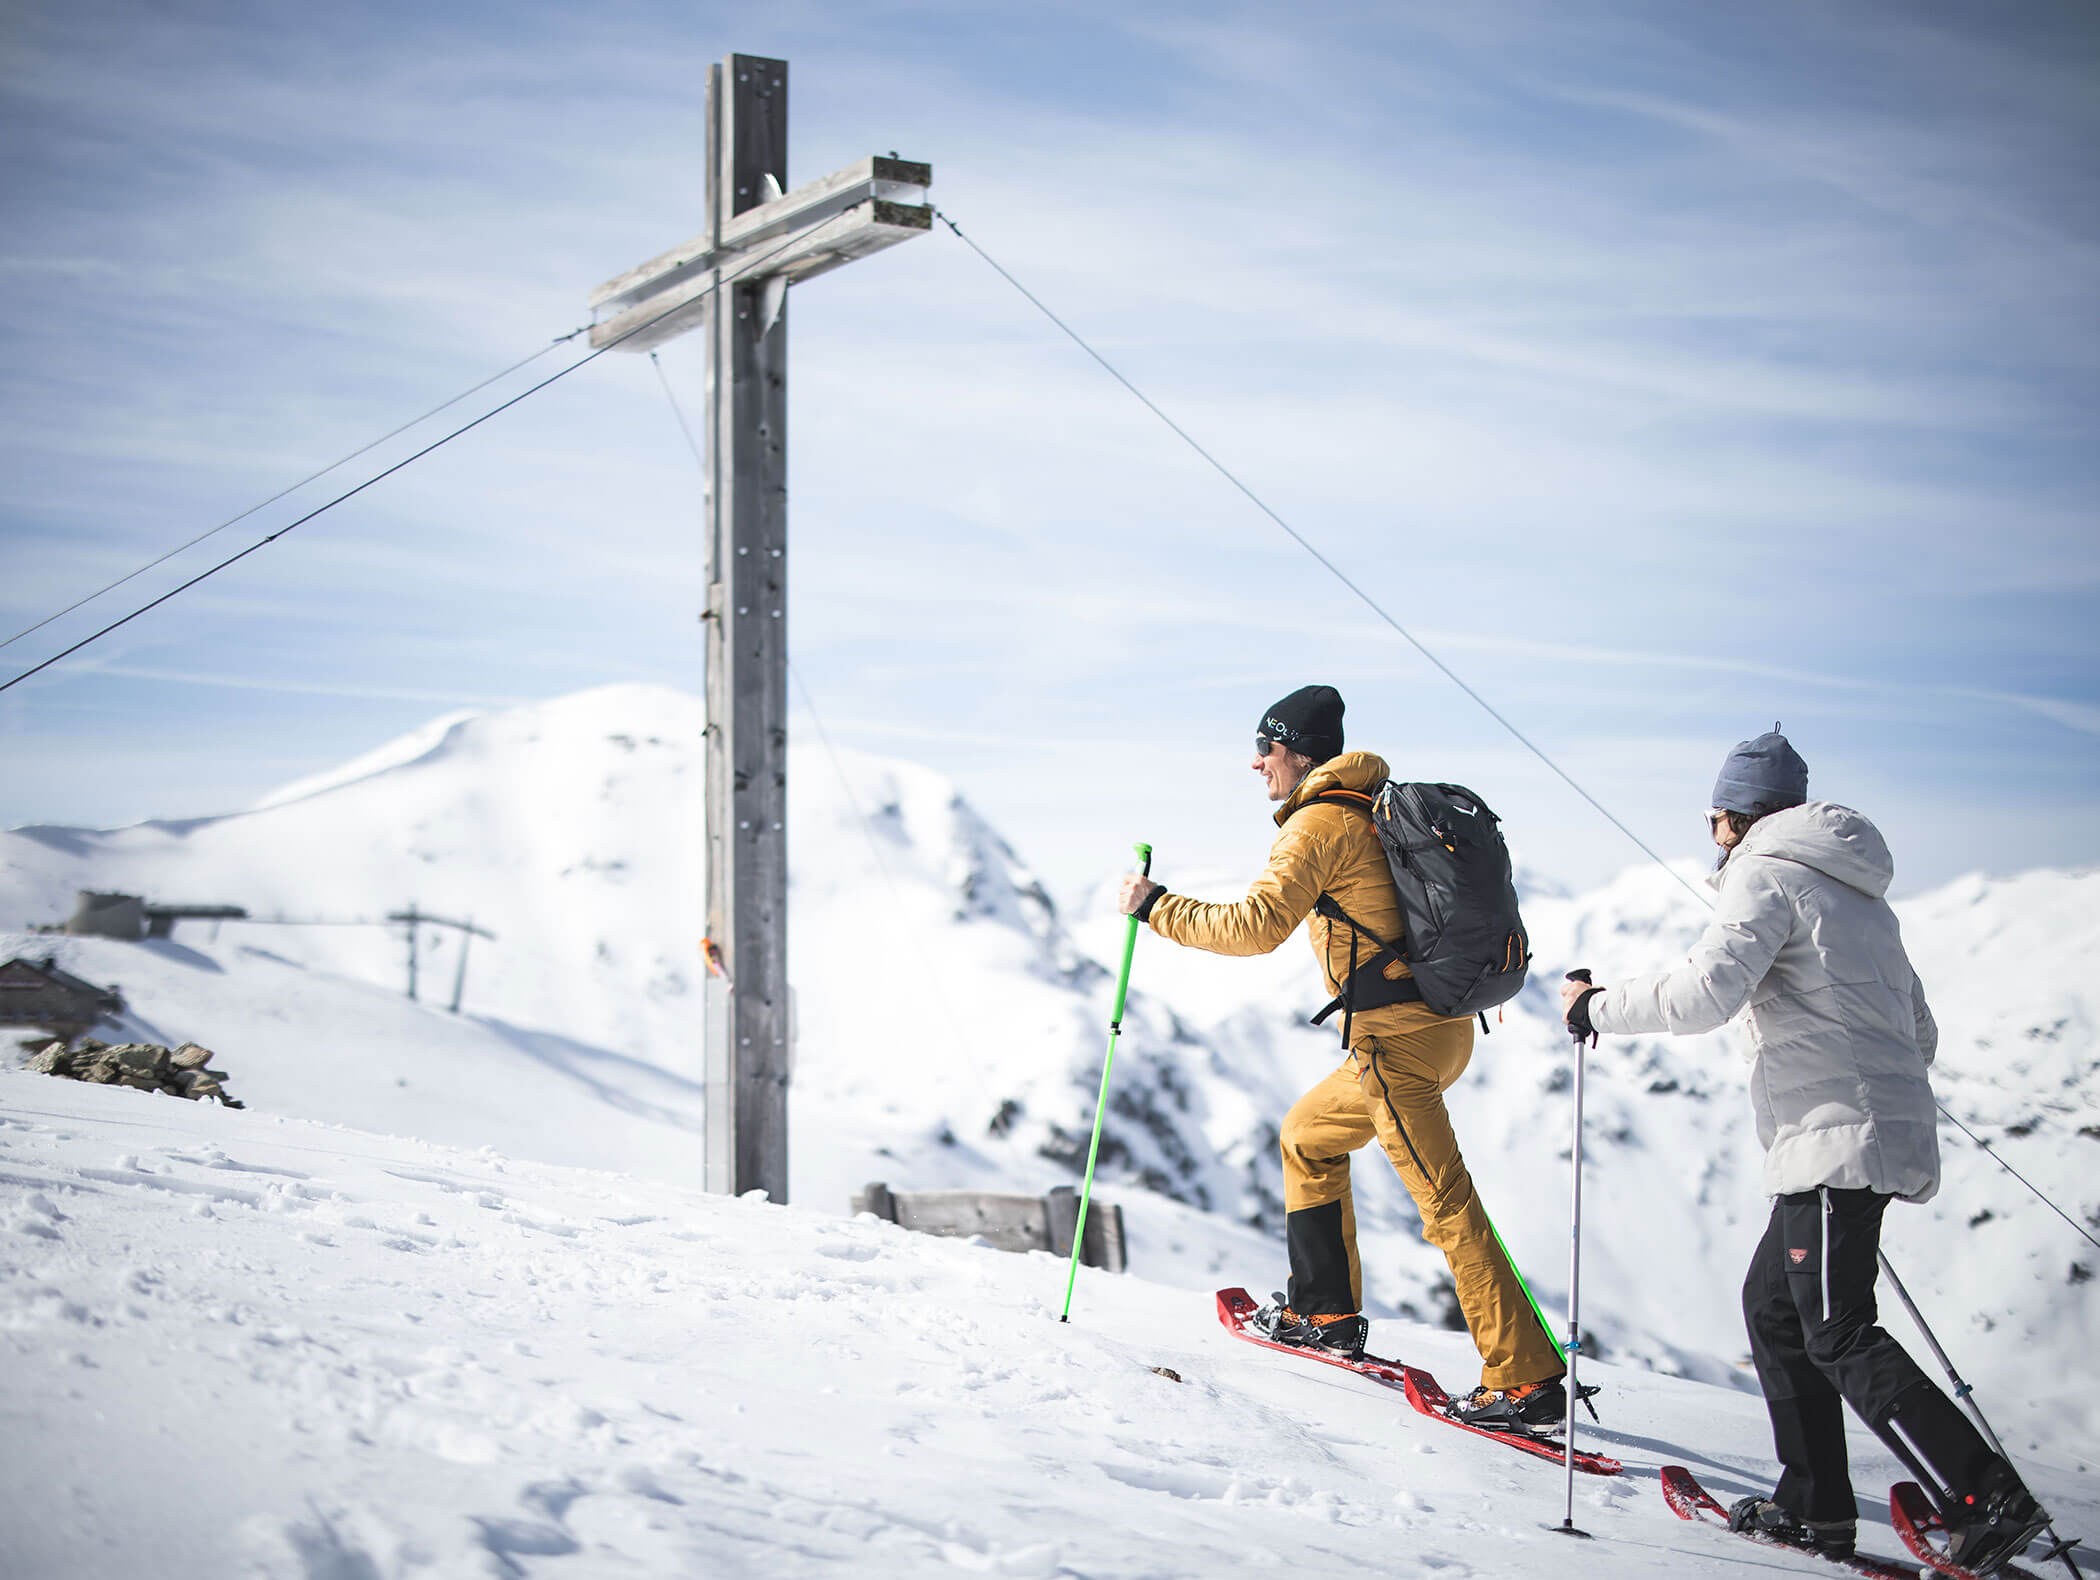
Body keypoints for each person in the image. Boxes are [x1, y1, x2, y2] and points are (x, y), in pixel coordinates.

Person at [1560, 729, 2046, 1573]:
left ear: (1730, 818)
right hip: (1864, 1132)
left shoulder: (1763, 872)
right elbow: (1920, 1032)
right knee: (1776, 1309)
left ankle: (1983, 1494)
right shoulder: (1859, 894)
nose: (1713, 837)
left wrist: (1594, 1007)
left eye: (1714, 820)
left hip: (1833, 1140)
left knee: (1836, 1328)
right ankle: (1813, 1507)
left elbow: (1708, 991)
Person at [1117, 684, 1568, 1429]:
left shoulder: (1319, 822)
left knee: (1444, 1200)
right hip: (1437, 1028)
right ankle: (1322, 1312)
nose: (1256, 762)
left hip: (1395, 1043)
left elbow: (1255, 927)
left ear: (1296, 751)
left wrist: (1155, 905)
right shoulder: (1370, 805)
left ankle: (1525, 1379)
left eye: (1266, 747)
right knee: (1308, 1134)